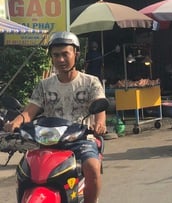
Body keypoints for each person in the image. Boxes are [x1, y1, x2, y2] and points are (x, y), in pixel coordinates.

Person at [3, 31, 107, 203]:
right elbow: (29, 111)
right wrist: (15, 122)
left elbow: (99, 108)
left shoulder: (90, 82)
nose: (60, 60)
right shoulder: (45, 85)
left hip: (80, 138)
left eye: (65, 54)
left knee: (92, 167)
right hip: (47, 140)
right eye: (56, 55)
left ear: (76, 54)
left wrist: (100, 124)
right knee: (25, 170)